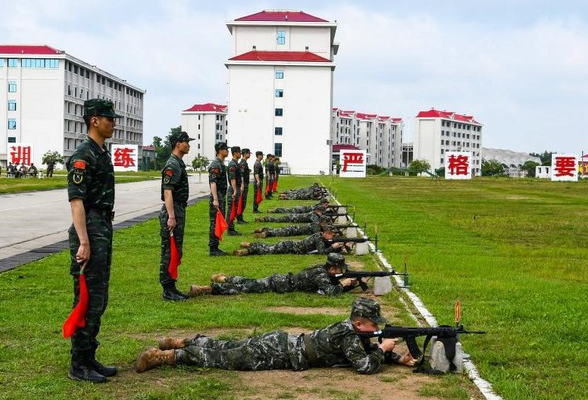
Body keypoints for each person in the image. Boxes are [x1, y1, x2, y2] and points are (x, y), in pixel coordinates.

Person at [135, 297, 416, 373]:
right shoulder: (349, 334)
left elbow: (358, 353)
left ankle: (184, 341)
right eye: (372, 324)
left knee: (229, 347)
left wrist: (393, 357)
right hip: (281, 352)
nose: (376, 328)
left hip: (283, 343)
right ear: (359, 323)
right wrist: (384, 349)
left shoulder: (350, 332)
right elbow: (364, 365)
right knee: (225, 359)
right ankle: (167, 356)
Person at [66, 98, 121, 383]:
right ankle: (78, 364)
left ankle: (89, 356)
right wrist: (84, 242)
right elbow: (76, 201)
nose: (113, 122)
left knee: (98, 298)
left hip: (102, 226)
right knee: (86, 298)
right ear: (94, 120)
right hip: (89, 228)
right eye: (108, 118)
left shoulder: (102, 153)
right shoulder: (83, 154)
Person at [187, 253, 359, 296]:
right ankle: (207, 289)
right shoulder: (322, 276)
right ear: (332, 269)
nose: (342, 272)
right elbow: (330, 292)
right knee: (243, 288)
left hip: (280, 279)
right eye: (340, 269)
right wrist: (344, 285)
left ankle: (224, 278)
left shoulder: (320, 269)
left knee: (249, 282)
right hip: (278, 284)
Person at [159, 131, 194, 301]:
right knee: (169, 250)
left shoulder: (178, 163)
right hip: (173, 211)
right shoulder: (172, 165)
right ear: (176, 144)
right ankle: (167, 288)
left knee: (176, 249)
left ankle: (172, 285)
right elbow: (167, 192)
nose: (188, 144)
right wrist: (171, 216)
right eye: (185, 141)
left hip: (178, 209)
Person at [233, 228, 347, 256]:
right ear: (326, 233)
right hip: (290, 247)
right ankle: (246, 251)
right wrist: (333, 247)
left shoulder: (319, 236)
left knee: (268, 247)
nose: (333, 237)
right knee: (267, 249)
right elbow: (322, 251)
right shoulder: (319, 238)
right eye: (332, 235)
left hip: (290, 244)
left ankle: (249, 244)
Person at [208, 142, 229, 256]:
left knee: (218, 221)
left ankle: (215, 247)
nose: (227, 151)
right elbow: (213, 182)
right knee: (214, 222)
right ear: (220, 150)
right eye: (225, 149)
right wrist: (215, 199)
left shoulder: (221, 164)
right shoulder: (216, 164)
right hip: (217, 197)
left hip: (220, 196)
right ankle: (213, 248)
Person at [226, 146, 242, 236]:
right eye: (239, 152)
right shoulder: (232, 164)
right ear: (235, 153)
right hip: (233, 189)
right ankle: (230, 229)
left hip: (236, 188)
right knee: (231, 209)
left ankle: (231, 228)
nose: (240, 153)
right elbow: (232, 179)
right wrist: (235, 190)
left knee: (234, 208)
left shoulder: (236, 163)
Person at [236, 148, 251, 224]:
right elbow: (241, 175)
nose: (249, 155)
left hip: (245, 184)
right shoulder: (242, 163)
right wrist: (242, 185)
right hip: (243, 185)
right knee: (242, 202)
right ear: (245, 154)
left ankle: (240, 217)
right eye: (248, 153)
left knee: (243, 202)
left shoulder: (244, 162)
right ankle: (239, 218)